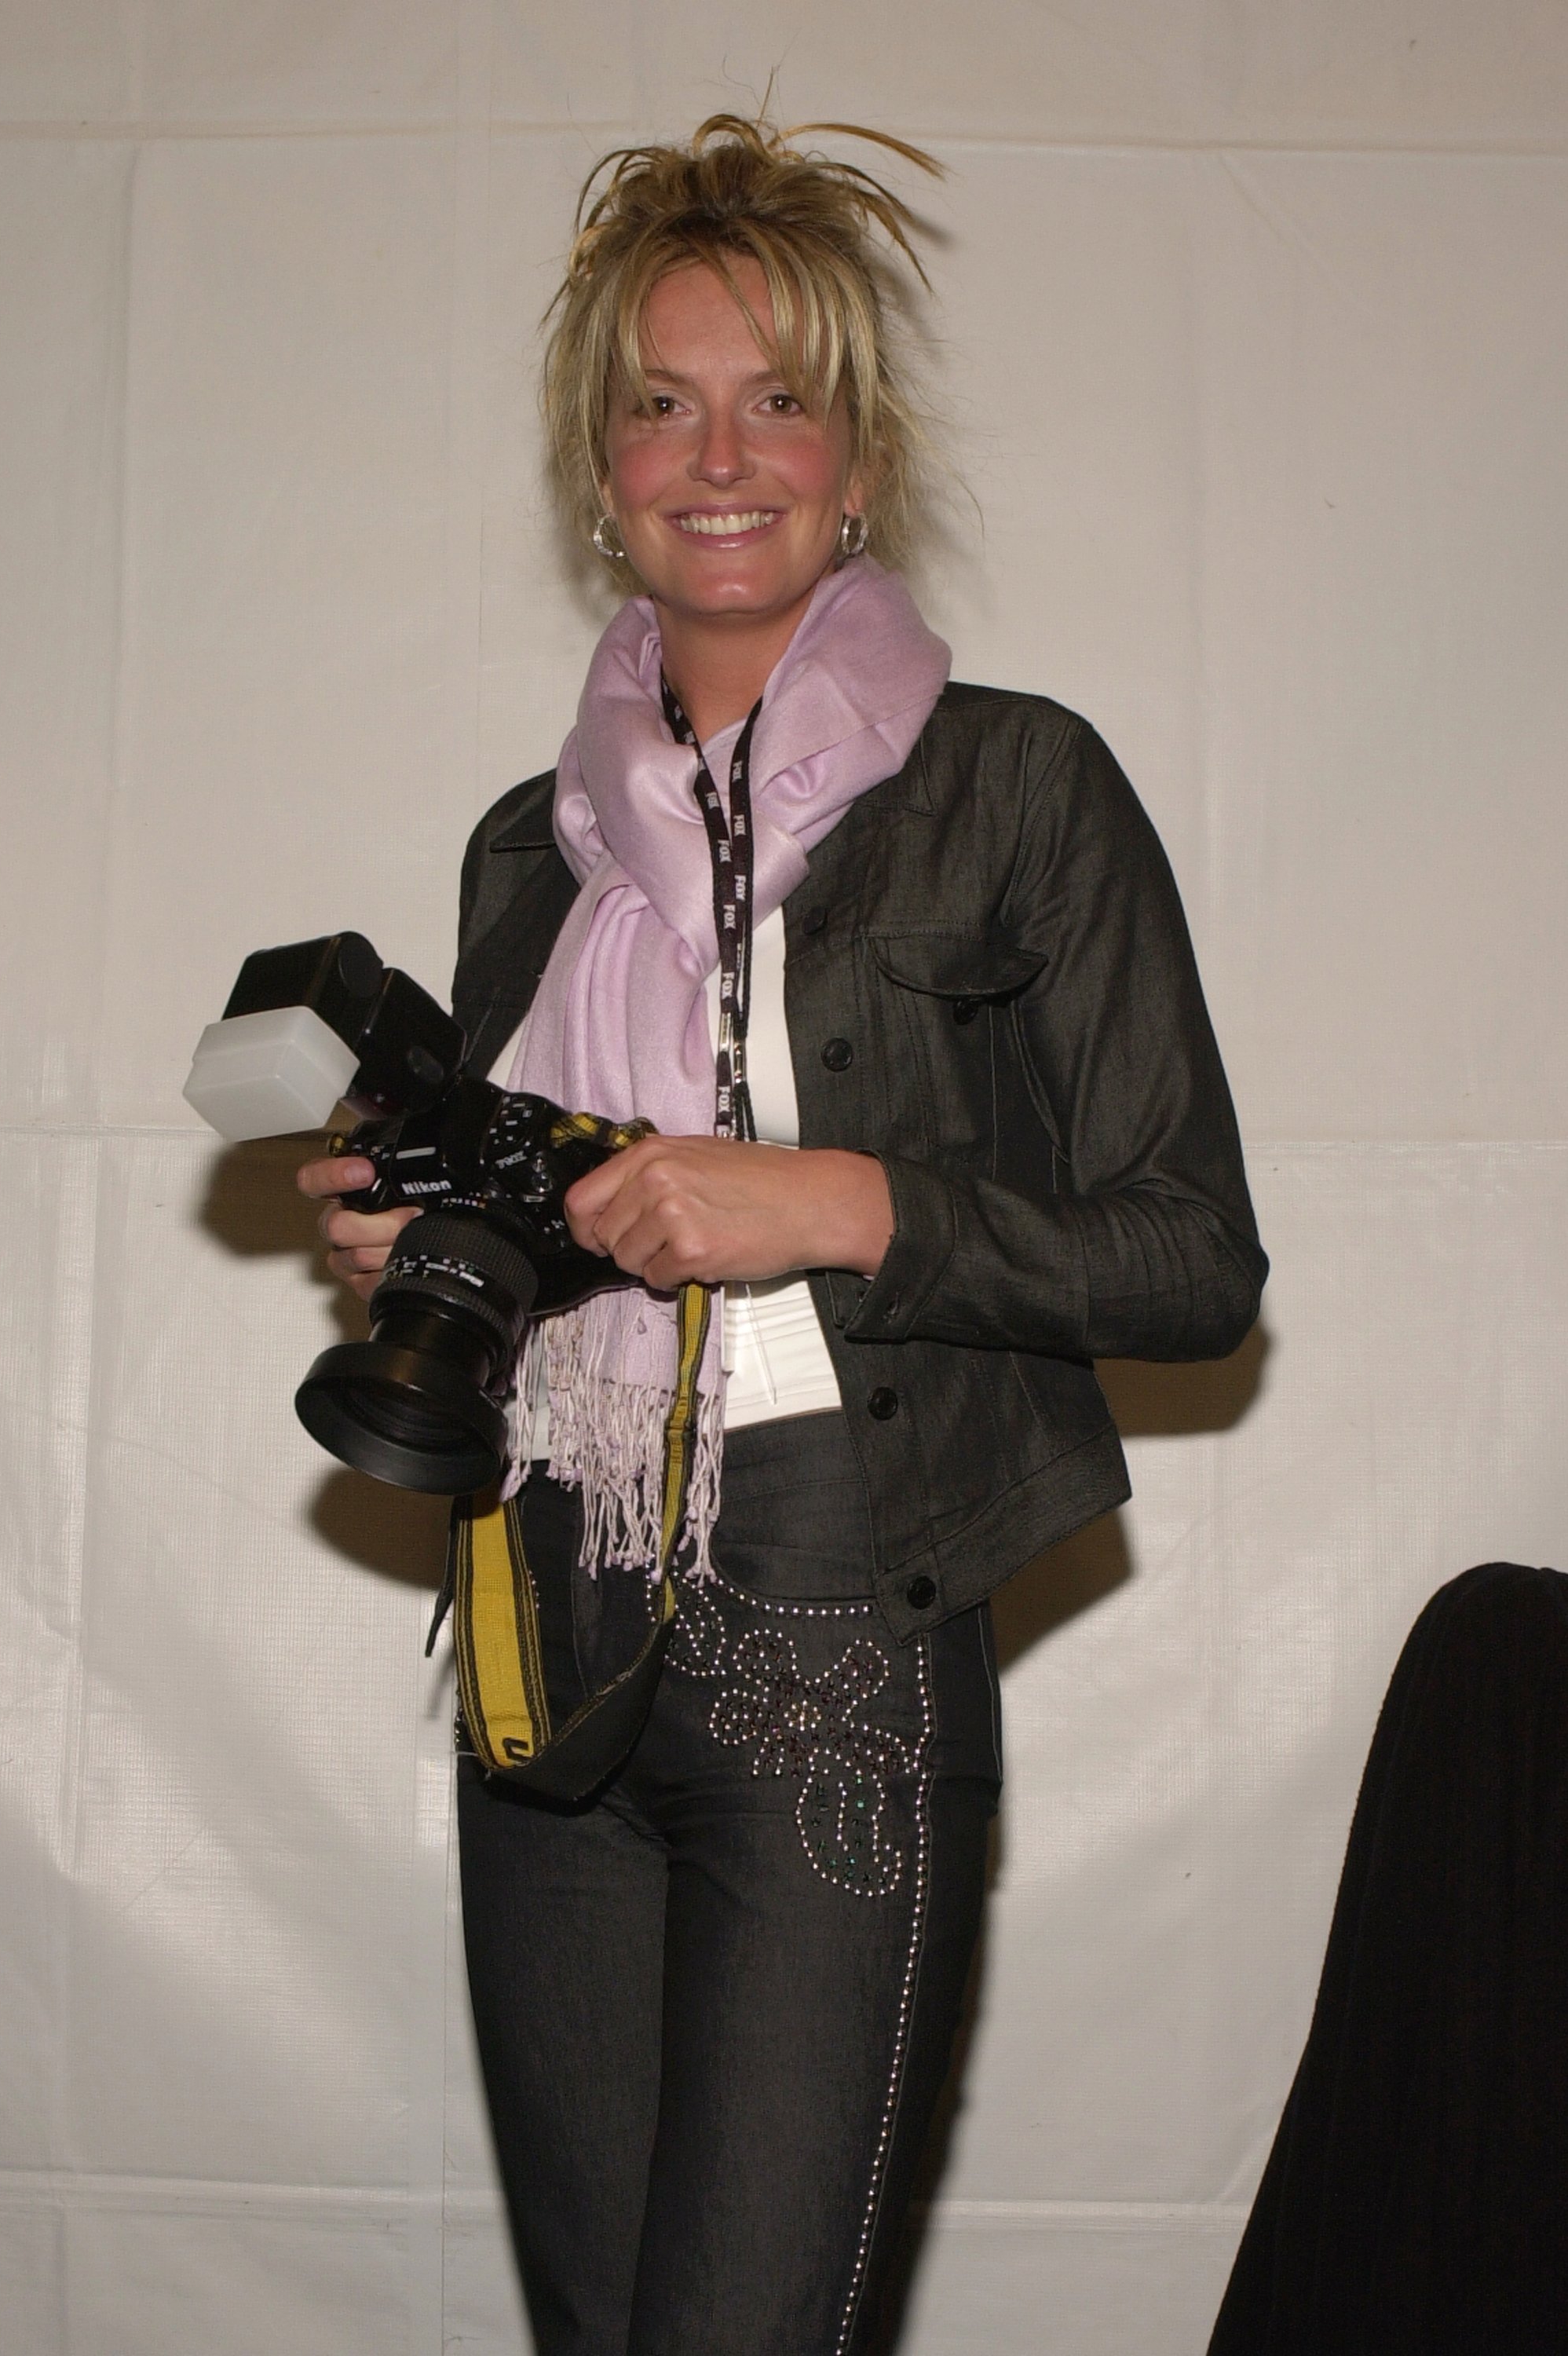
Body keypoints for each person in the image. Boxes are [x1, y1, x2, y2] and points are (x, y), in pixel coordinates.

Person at [298, 115, 1266, 2356]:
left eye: (774, 396)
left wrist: (833, 1203)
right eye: (659, 399)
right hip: (547, 1612)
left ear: (858, 457)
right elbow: (573, 1218)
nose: (714, 452)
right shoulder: (518, 854)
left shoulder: (1020, 785)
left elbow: (1187, 1254)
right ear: (597, 469)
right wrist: (438, 1237)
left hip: (838, 1598)